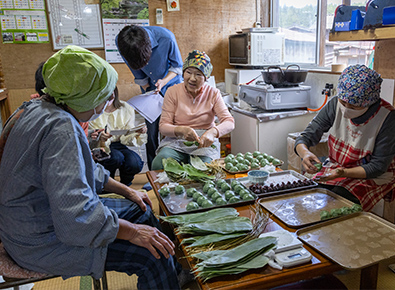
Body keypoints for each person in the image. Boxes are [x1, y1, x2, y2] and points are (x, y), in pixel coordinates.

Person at [0, 45, 181, 289]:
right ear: (84, 96)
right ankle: (165, 271)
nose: (108, 102)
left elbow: (84, 169)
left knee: (141, 209)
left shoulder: (35, 107)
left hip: (36, 219)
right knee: (152, 256)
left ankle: (172, 274)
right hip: (41, 240)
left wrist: (128, 191)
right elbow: (76, 217)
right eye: (104, 96)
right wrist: (134, 233)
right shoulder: (61, 129)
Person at [295, 64, 395, 211]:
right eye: (343, 102)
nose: (346, 109)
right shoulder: (335, 104)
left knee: (339, 206)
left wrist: (343, 173)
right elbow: (305, 137)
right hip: (337, 167)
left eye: (354, 107)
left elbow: (377, 167)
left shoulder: (387, 118)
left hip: (371, 175)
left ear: (370, 103)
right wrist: (305, 153)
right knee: (311, 194)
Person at [151, 50, 235, 170]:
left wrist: (213, 132)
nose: (192, 78)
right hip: (176, 141)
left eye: (198, 74)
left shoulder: (213, 93)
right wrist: (181, 130)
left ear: (206, 77)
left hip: (204, 142)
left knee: (206, 169)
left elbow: (229, 122)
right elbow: (163, 126)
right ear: (183, 73)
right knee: (159, 163)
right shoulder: (172, 92)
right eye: (188, 72)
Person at [116, 25, 184, 173]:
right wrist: (147, 87)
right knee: (151, 133)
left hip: (171, 84)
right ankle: (153, 172)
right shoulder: (122, 42)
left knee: (171, 130)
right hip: (150, 90)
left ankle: (174, 171)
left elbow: (178, 66)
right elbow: (134, 68)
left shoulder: (166, 38)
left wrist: (163, 81)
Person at [89, 86, 147, 186]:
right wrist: (99, 136)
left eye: (110, 96)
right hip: (99, 146)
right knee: (115, 158)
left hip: (119, 144)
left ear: (115, 94)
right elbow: (89, 134)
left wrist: (138, 133)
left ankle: (125, 184)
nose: (107, 100)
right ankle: (107, 184)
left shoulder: (125, 108)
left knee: (135, 162)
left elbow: (127, 138)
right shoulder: (92, 109)